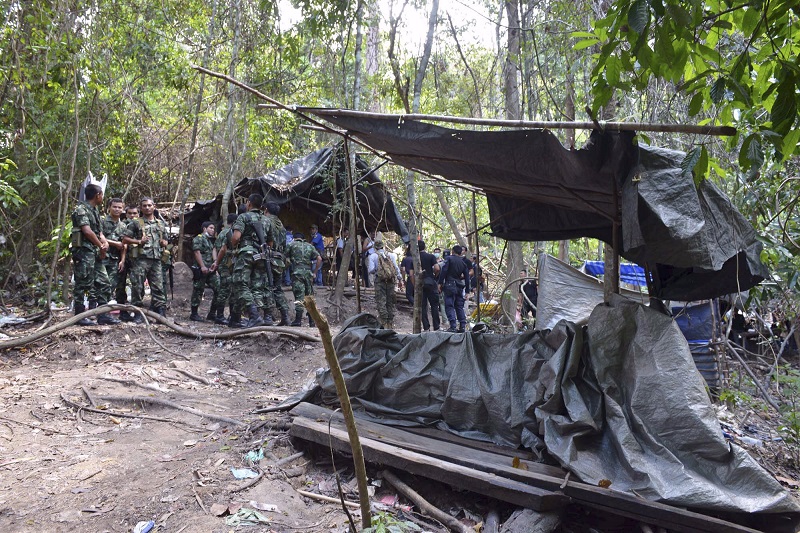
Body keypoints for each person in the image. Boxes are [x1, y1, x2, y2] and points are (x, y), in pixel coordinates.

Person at [214, 194, 274, 328]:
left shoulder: (243, 217)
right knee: (254, 286)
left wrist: (235, 244)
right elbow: (270, 243)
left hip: (246, 254)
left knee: (239, 283)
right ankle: (235, 318)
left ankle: (254, 316)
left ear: (249, 203)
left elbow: (235, 238)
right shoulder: (267, 220)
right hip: (261, 255)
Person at [70, 183, 118, 326]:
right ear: (98, 195)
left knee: (104, 282)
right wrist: (100, 245)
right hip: (84, 253)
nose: (102, 198)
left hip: (95, 253)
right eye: (102, 195)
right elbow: (87, 231)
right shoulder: (81, 210)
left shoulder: (95, 211)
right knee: (82, 283)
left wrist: (104, 243)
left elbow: (99, 232)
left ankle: (103, 314)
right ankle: (79, 316)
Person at [122, 197, 168, 322]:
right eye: (144, 206)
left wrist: (164, 242)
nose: (147, 208)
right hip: (140, 260)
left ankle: (161, 314)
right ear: (141, 208)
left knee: (158, 287)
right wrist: (138, 241)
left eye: (149, 205)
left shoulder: (161, 223)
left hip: (156, 260)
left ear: (154, 206)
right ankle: (138, 313)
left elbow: (166, 240)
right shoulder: (136, 223)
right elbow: (125, 239)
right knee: (137, 287)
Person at [189, 221, 225, 324]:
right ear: (204, 228)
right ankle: (194, 313)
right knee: (198, 290)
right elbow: (197, 252)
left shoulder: (210, 241)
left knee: (219, 289)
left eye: (214, 228)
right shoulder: (199, 238)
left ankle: (212, 313)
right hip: (201, 269)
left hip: (210, 270)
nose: (213, 230)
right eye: (211, 228)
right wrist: (202, 266)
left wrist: (215, 263)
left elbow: (213, 251)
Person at [285, 232, 322, 327]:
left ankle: (298, 320)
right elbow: (319, 258)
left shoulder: (291, 244)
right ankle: (312, 321)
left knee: (299, 296)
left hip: (297, 273)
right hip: (308, 273)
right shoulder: (309, 246)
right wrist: (315, 272)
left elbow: (285, 257)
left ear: (294, 238)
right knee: (309, 297)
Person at [264, 202, 291, 326]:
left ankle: (268, 317)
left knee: (267, 287)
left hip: (268, 258)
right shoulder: (281, 225)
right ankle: (285, 316)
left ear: (266, 210)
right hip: (279, 260)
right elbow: (285, 245)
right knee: (278, 289)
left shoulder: (265, 221)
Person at [101, 197, 127, 318]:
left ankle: (105, 312)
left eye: (119, 207)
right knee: (102, 285)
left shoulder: (123, 226)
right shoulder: (102, 222)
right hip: (102, 258)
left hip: (115, 260)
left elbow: (124, 244)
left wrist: (122, 260)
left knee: (113, 285)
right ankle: (99, 312)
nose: (117, 209)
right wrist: (114, 243)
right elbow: (98, 237)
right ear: (109, 208)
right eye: (114, 207)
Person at [368, 240, 402, 329]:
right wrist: (400, 278)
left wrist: (378, 270)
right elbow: (396, 267)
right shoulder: (391, 255)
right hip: (391, 281)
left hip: (379, 281)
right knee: (390, 301)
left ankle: (384, 322)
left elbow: (371, 270)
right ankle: (390, 322)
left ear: (375, 248)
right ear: (383, 246)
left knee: (381, 301)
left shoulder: (373, 256)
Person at [116, 204, 139, 321]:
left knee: (137, 286)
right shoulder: (122, 226)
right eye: (130, 213)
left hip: (137, 261)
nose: (132, 215)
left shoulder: (142, 225)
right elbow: (123, 244)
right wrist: (123, 260)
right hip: (123, 259)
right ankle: (122, 311)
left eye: (134, 213)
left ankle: (137, 312)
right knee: (121, 286)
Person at [214, 213, 238, 325]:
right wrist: (217, 263)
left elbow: (215, 248)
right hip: (226, 265)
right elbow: (222, 249)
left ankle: (231, 316)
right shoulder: (230, 233)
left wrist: (216, 262)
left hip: (224, 265)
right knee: (225, 290)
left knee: (229, 290)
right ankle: (220, 316)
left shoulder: (221, 233)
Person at [439, 244, 468, 333]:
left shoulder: (449, 259)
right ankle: (462, 326)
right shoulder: (463, 262)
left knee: (449, 305)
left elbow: (444, 270)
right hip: (459, 286)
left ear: (452, 251)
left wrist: (440, 282)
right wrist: (467, 290)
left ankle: (453, 326)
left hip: (449, 284)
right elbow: (467, 277)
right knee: (459, 306)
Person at [412, 240, 440, 331]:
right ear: (425, 247)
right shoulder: (431, 256)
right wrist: (434, 276)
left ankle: (426, 327)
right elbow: (437, 268)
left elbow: (411, 273)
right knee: (434, 306)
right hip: (431, 283)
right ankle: (436, 327)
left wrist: (415, 284)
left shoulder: (415, 258)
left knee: (423, 306)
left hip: (420, 284)